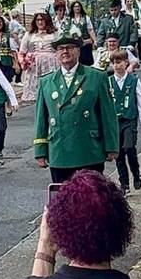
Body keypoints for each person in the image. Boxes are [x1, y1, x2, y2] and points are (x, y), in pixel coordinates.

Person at [33, 34, 118, 183]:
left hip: (89, 150)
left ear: (78, 51)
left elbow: (108, 114)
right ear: (56, 54)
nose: (65, 51)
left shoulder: (96, 77)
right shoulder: (46, 82)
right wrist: (40, 151)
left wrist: (111, 146)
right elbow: (41, 119)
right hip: (60, 151)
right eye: (60, 49)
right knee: (63, 199)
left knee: (92, 199)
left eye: (70, 48)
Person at [108, 49, 141, 195]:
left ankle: (136, 174)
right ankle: (124, 183)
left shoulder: (134, 80)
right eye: (113, 63)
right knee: (118, 154)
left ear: (126, 63)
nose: (116, 66)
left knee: (129, 147)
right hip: (114, 123)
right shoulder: (109, 82)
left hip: (129, 119)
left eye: (119, 62)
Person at [19, 12, 59, 104]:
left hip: (52, 64)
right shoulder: (29, 35)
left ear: (47, 20)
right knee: (37, 95)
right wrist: (23, 62)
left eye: (42, 19)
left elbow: (61, 48)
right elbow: (22, 52)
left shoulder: (55, 33)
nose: (40, 22)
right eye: (38, 20)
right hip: (35, 66)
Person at [69, 0, 97, 66]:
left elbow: (90, 30)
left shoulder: (86, 18)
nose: (77, 8)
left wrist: (95, 40)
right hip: (75, 44)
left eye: (78, 6)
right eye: (75, 6)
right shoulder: (70, 19)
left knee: (87, 62)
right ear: (73, 8)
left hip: (85, 43)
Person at [9, 10, 27, 83]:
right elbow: (15, 34)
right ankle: (17, 80)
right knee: (19, 61)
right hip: (15, 44)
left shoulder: (12, 22)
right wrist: (20, 45)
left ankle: (13, 78)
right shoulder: (15, 23)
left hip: (13, 44)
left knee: (16, 61)